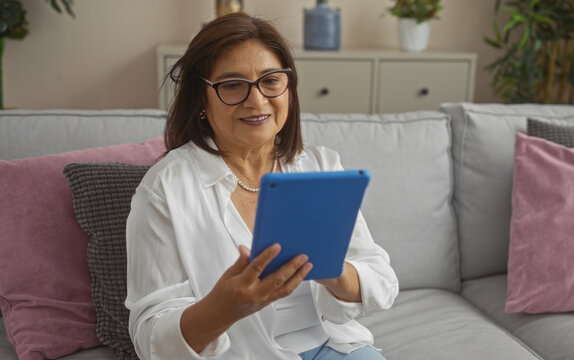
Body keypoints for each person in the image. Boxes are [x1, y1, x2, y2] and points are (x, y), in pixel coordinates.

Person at [125, 12, 399, 360]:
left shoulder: (319, 166)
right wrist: (224, 307)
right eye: (232, 85)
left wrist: (332, 271)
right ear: (201, 101)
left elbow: (382, 281)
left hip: (336, 347)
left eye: (270, 80)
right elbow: (149, 338)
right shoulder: (164, 190)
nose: (256, 100)